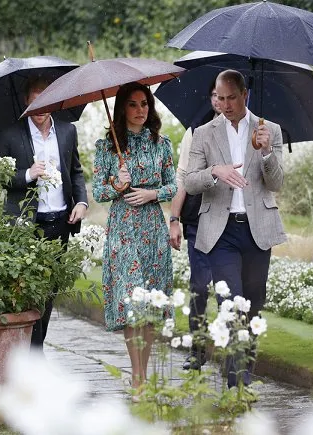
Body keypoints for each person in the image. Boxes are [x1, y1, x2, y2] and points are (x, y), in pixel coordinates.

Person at [185, 70, 287, 388]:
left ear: (245, 94)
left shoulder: (269, 130)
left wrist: (267, 152)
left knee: (253, 305)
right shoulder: (203, 133)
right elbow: (189, 182)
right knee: (232, 304)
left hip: (258, 230)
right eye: (220, 98)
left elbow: (277, 183)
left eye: (231, 98)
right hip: (221, 231)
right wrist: (215, 170)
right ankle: (236, 381)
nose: (225, 105)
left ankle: (244, 371)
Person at [0, 76, 88, 350]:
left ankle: (36, 345)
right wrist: (27, 175)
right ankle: (32, 350)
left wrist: (81, 202)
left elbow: (76, 172)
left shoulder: (67, 131)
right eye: (35, 103)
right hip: (25, 224)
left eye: (46, 102)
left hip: (60, 222)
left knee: (50, 290)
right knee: (28, 288)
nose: (41, 109)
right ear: (26, 103)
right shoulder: (10, 134)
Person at [92, 82, 177, 394]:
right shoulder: (107, 147)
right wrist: (117, 183)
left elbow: (173, 186)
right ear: (122, 108)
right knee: (132, 302)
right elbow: (98, 191)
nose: (140, 110)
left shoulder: (162, 144)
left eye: (145, 104)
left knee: (149, 303)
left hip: (153, 229)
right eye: (133, 104)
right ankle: (137, 376)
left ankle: (144, 372)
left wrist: (151, 193)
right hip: (124, 230)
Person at [169, 81, 221, 371]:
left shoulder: (251, 131)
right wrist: (174, 219)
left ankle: (235, 351)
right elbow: (182, 177)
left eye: (226, 95)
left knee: (233, 288)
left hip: (232, 221)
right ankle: (198, 348)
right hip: (198, 218)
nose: (220, 101)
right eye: (214, 94)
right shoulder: (195, 130)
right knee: (200, 285)